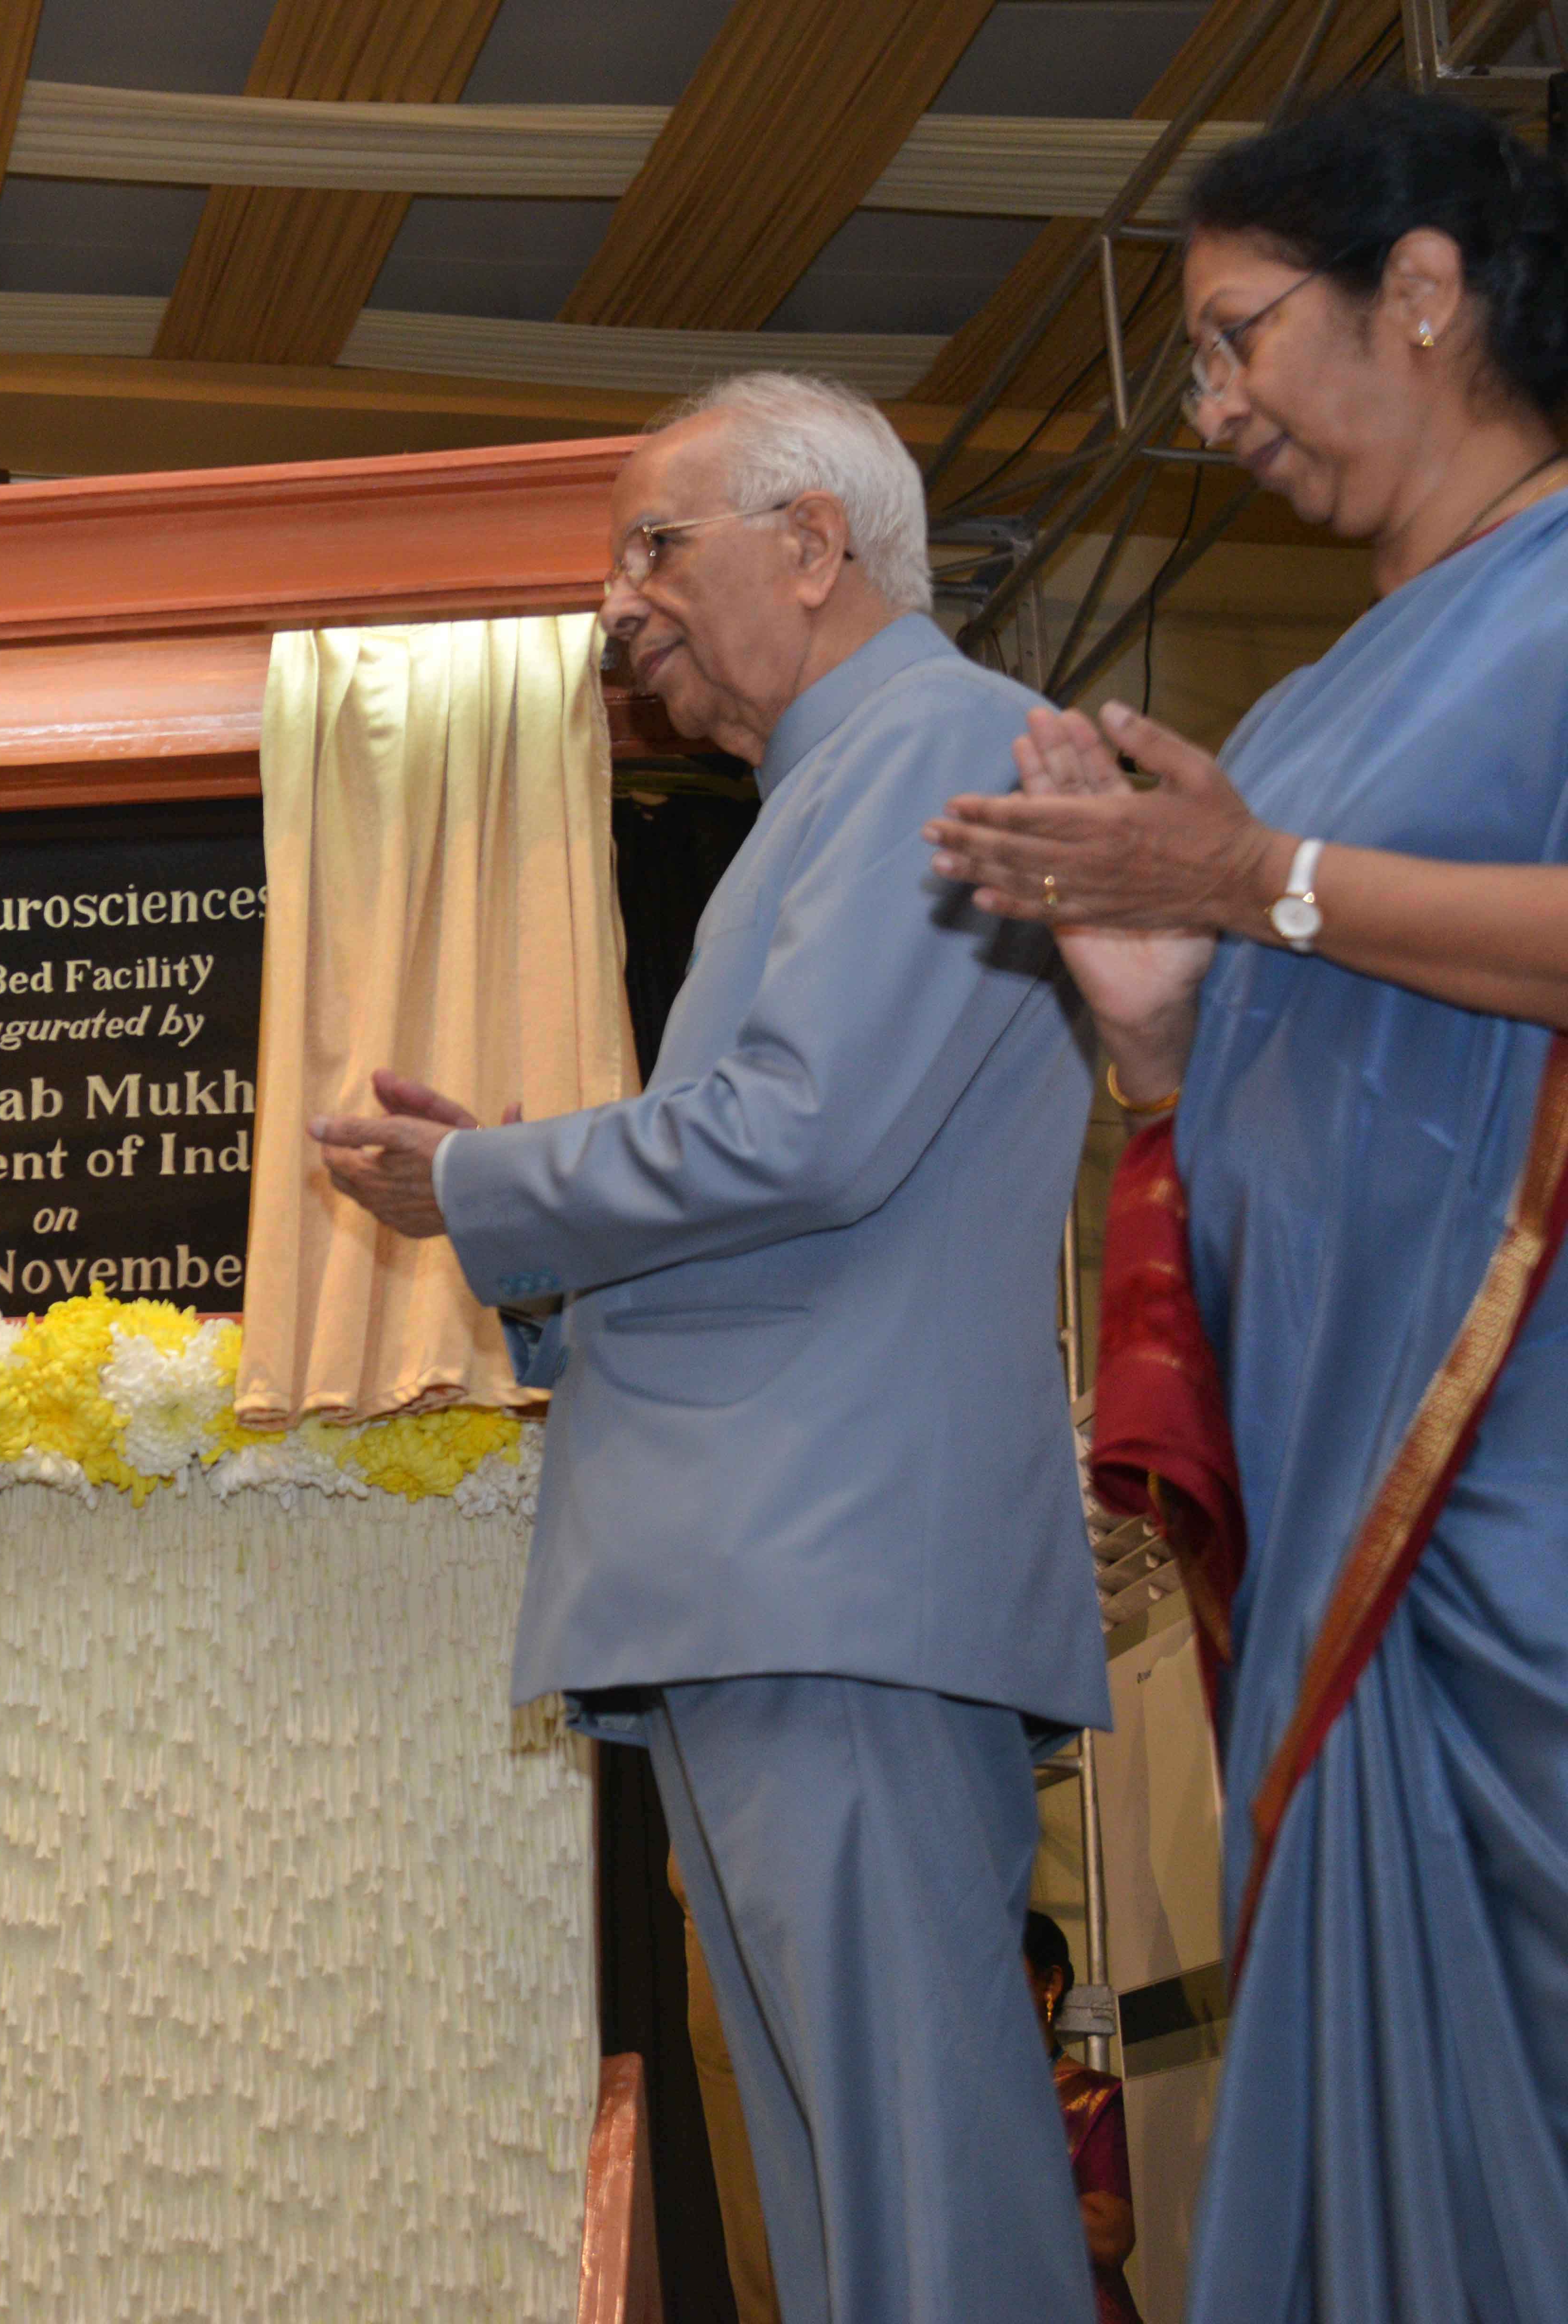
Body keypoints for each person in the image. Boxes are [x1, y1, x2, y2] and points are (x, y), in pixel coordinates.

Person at [310, 372, 1103, 2323]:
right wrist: (528, 1228)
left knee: (920, 2185)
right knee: (849, 2201)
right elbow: (799, 1180)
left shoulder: (941, 744)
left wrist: (485, 1176)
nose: (618, 604)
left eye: (654, 545)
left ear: (814, 545)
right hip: (784, 1574)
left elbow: (804, 1129)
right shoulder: (829, 790)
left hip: (837, 1575)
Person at [926, 88, 1568, 2324]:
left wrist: (1250, 877)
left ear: (1419, 291)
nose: (1205, 414)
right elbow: (1276, 1091)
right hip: (1347, 1550)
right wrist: (1149, 1013)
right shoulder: (1300, 696)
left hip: (1517, 1509)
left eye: (1230, 338)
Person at [1022, 1912, 1140, 2324]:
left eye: (1001, 1964)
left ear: (1050, 1984)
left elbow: (1112, 2237)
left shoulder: (1089, 2096)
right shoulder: (952, 2105)